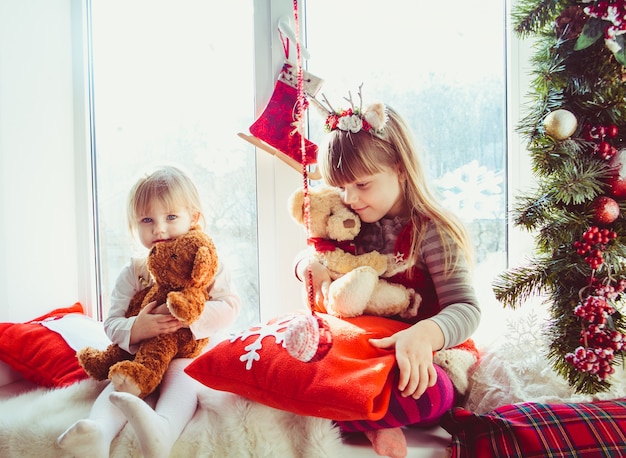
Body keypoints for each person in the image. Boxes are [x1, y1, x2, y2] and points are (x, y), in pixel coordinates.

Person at [296, 100, 480, 458]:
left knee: (427, 395)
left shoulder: (432, 233)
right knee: (295, 362)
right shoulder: (350, 219)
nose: (350, 198)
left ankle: (364, 415)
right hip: (362, 352)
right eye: (342, 188)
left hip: (418, 358)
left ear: (399, 168)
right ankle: (373, 420)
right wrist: (308, 265)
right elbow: (315, 248)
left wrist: (426, 334)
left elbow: (467, 309)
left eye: (362, 184)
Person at [57, 165, 240, 458]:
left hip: (186, 350)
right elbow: (112, 321)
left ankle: (163, 429)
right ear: (135, 224)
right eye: (147, 219)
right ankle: (97, 431)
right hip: (143, 353)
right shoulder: (135, 270)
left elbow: (230, 305)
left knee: (185, 377)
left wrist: (189, 318)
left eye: (170, 217)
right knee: (122, 380)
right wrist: (137, 329)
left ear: (193, 218)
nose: (159, 229)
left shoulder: (206, 261)